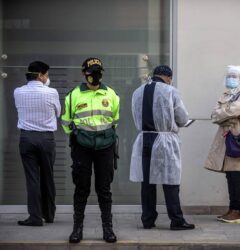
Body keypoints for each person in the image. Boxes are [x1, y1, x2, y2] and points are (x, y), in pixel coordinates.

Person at [61, 58, 120, 243]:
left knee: (104, 189)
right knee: (81, 188)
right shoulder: (73, 95)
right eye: (91, 72)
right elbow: (66, 122)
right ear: (83, 73)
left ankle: (108, 230)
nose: (95, 75)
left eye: (98, 71)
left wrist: (102, 136)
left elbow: (115, 121)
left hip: (105, 147)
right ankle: (77, 229)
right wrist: (80, 136)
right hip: (81, 148)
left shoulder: (111, 94)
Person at [130, 65, 195, 231]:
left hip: (144, 139)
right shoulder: (170, 91)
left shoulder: (137, 92)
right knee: (170, 180)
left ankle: (148, 219)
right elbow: (182, 117)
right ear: (168, 77)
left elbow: (135, 114)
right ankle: (177, 220)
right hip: (164, 139)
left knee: (147, 182)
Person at [205, 65, 240, 223]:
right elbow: (214, 114)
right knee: (230, 174)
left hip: (239, 138)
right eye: (229, 75)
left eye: (234, 76)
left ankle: (238, 211)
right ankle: (232, 208)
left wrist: (223, 114)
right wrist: (224, 114)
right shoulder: (225, 94)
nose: (231, 78)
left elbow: (234, 111)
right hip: (226, 137)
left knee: (236, 174)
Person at [14, 61, 61, 226]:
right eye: (46, 74)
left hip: (26, 138)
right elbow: (58, 112)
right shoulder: (52, 92)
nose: (48, 77)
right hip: (46, 139)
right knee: (48, 176)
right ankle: (49, 215)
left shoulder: (18, 92)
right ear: (40, 75)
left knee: (32, 179)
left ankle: (35, 216)